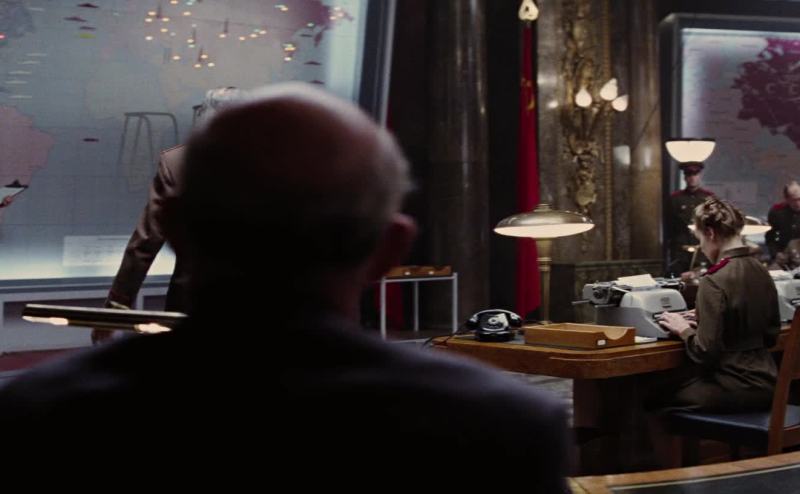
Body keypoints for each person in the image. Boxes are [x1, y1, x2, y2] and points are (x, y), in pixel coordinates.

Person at [0, 83, 571, 484]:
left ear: (179, 226)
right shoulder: (504, 427)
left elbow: (141, 242)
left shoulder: (40, 416)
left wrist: (118, 304)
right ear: (389, 249)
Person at [93, 87, 241, 343]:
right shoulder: (277, 162)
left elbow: (145, 242)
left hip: (189, 300)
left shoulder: (176, 162)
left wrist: (116, 305)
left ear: (204, 116)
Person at [656, 197, 780, 412]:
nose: (701, 248)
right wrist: (709, 318)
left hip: (734, 385)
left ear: (710, 233)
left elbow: (704, 352)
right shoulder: (762, 271)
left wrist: (683, 328)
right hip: (768, 383)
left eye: (700, 240)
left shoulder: (713, 280)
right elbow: (771, 335)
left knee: (653, 399)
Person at [666, 163, 715, 275]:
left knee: (702, 276)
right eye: (689, 175)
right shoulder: (675, 199)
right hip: (680, 247)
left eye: (695, 174)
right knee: (678, 275)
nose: (692, 178)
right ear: (685, 177)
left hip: (702, 245)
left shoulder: (708, 197)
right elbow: (669, 224)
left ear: (700, 176)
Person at [766, 180, 800, 265]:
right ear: (787, 199)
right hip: (783, 257)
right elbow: (770, 237)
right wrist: (776, 253)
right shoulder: (777, 212)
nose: (798, 203)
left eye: (799, 199)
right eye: (794, 200)